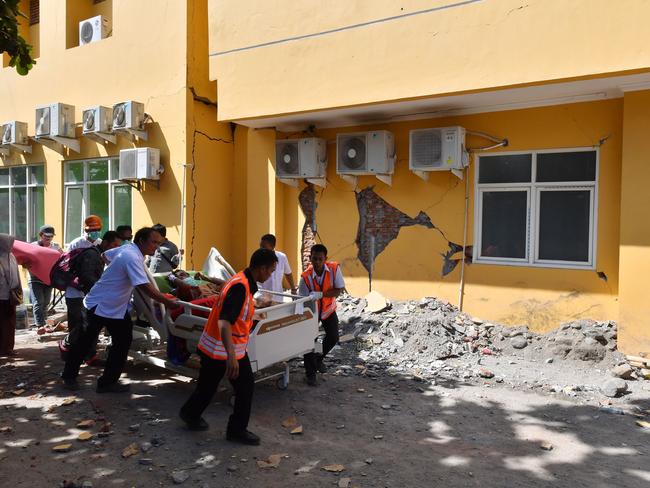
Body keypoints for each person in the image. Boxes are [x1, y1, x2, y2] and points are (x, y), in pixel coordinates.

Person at [179, 248, 278, 444]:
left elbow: (237, 315)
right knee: (244, 388)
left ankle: (190, 413)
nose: (271, 274)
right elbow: (224, 322)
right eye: (271, 270)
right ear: (261, 268)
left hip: (221, 347)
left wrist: (254, 315)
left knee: (208, 386)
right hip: (224, 350)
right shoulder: (240, 286)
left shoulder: (243, 281)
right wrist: (231, 356)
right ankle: (236, 431)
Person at [61, 227, 178, 392]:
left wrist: (114, 272)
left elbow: (105, 255)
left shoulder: (127, 249)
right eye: (153, 242)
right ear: (141, 241)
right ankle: (68, 376)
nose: (156, 247)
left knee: (123, 342)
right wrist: (168, 302)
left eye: (159, 243)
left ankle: (107, 382)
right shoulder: (130, 256)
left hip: (117, 307)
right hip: (98, 304)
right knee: (84, 342)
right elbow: (144, 286)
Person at [59, 231, 123, 363]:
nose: (116, 249)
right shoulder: (92, 254)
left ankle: (88, 356)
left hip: (88, 295)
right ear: (105, 243)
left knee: (89, 327)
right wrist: (100, 290)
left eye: (119, 246)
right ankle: (69, 349)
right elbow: (87, 276)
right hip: (78, 295)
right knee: (81, 327)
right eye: (114, 245)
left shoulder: (100, 254)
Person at [299, 244, 345, 386]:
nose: (317, 262)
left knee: (333, 337)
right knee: (310, 342)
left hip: (328, 309)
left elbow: (338, 290)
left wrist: (322, 294)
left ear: (325, 258)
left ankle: (318, 358)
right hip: (312, 312)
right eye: (315, 259)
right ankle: (310, 374)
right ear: (310, 258)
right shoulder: (305, 277)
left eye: (320, 259)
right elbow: (301, 299)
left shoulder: (334, 269)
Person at [65, 215, 103, 361]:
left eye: (98, 229)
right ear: (85, 230)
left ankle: (90, 354)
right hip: (75, 292)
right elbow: (67, 265)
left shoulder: (99, 244)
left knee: (91, 325)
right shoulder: (76, 244)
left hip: (93, 291)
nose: (95, 232)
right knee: (76, 325)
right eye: (92, 230)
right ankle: (73, 354)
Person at [28, 225, 62, 329]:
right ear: (41, 235)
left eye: (51, 237)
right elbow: (25, 260)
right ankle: (40, 326)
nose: (48, 239)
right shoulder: (33, 246)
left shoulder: (55, 247)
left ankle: (43, 323)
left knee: (46, 302)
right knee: (38, 302)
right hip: (35, 279)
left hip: (48, 279)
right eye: (46, 236)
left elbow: (63, 258)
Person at [0, 234, 21, 356]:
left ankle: (8, 347)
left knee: (10, 323)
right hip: (1, 296)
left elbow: (16, 274)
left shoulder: (11, 256)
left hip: (11, 295)